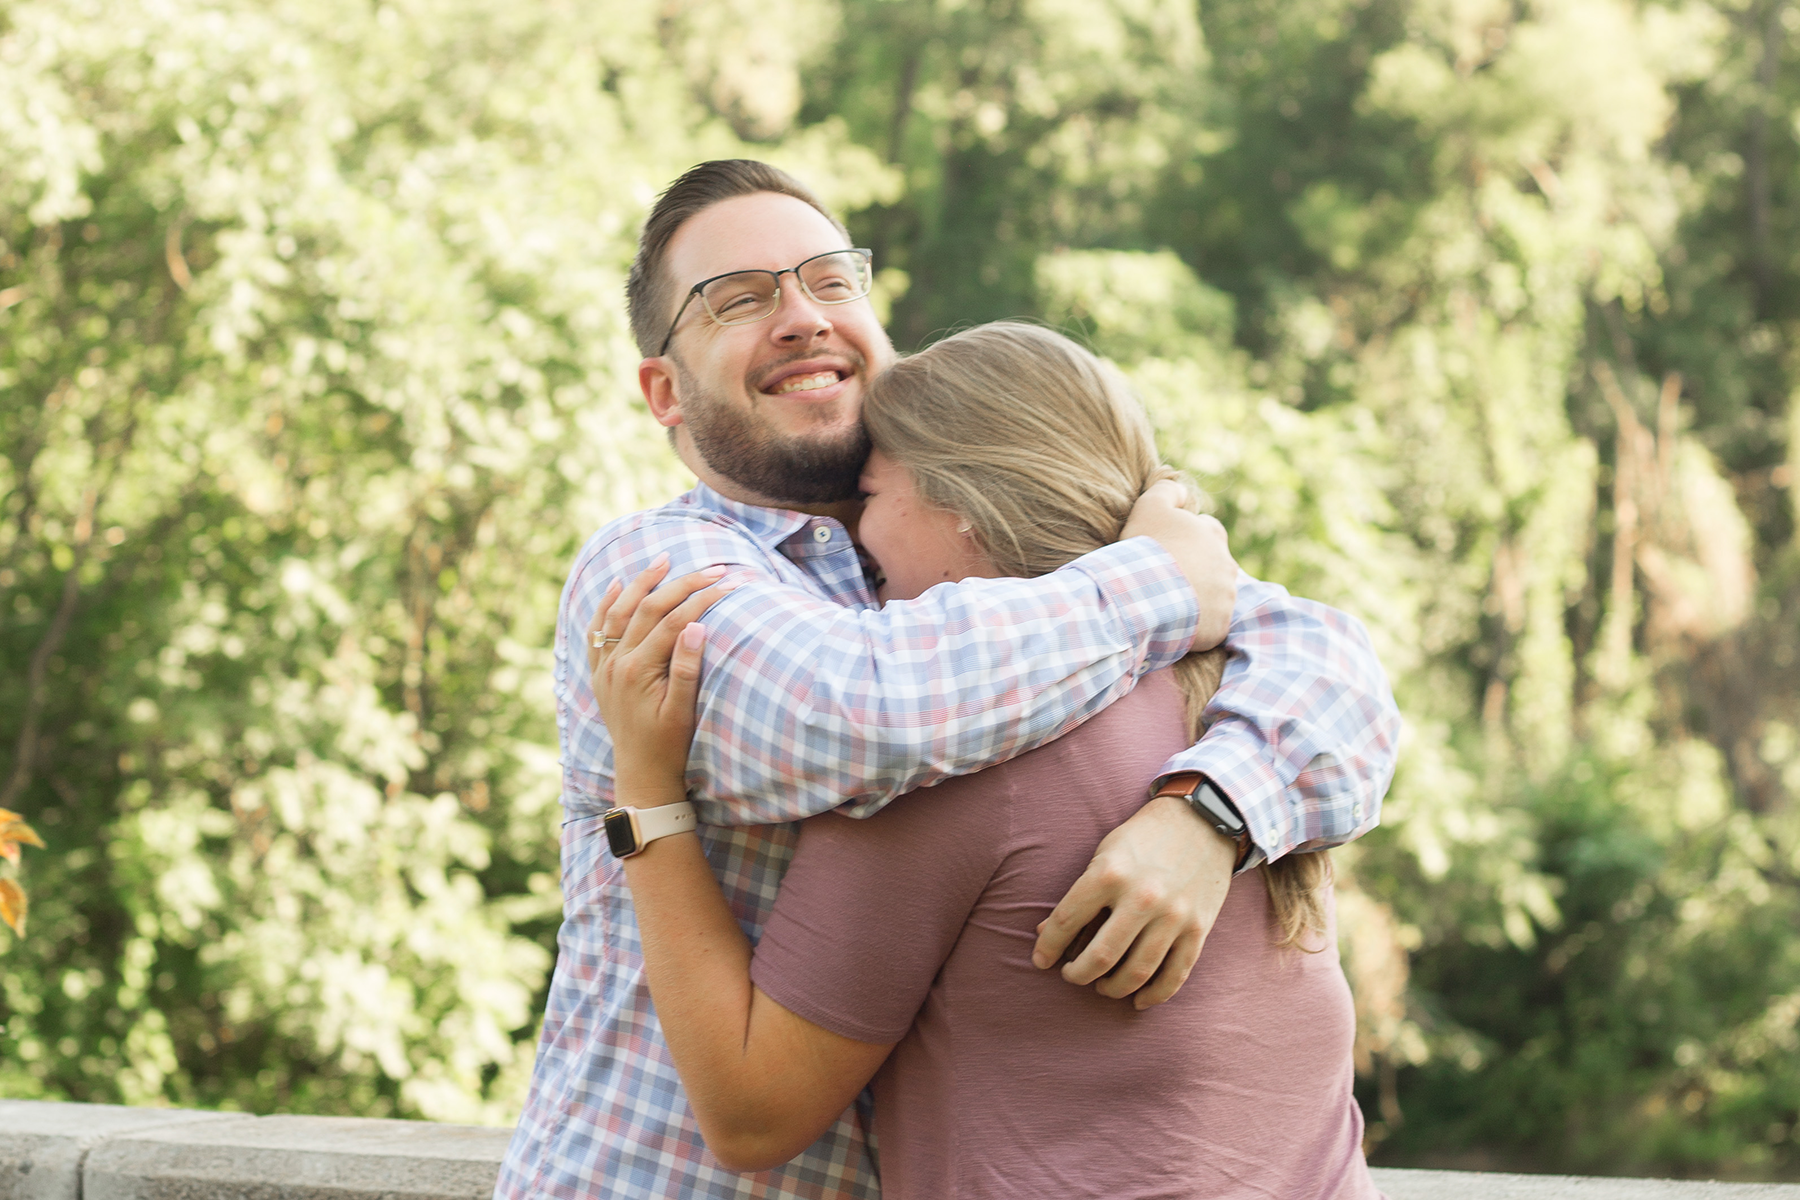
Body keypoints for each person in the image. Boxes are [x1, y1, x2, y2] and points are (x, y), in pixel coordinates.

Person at [493, 160, 1400, 1200]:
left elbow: (1330, 656)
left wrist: (1212, 812)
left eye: (831, 281)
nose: (800, 315)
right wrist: (1157, 575)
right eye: (738, 299)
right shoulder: (657, 574)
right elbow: (858, 717)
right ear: (665, 391)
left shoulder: (1030, 651)